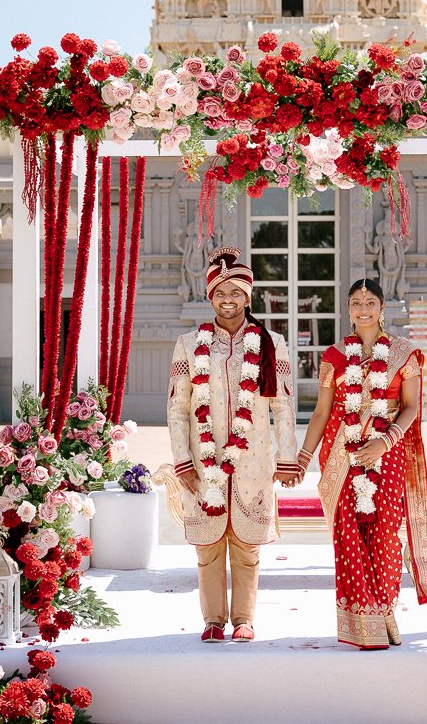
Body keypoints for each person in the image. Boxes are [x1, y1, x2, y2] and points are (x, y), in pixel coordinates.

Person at [167, 246, 303, 644]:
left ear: (248, 296)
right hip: (203, 463)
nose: (229, 300)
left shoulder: (271, 343)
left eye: (236, 292)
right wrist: (183, 461)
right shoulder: (189, 345)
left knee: (247, 547)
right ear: (211, 297)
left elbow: (284, 403)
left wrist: (287, 456)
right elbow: (177, 408)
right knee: (207, 549)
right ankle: (212, 620)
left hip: (253, 459)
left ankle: (244, 619)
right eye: (220, 293)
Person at [298, 278, 427, 649]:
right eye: (356, 302)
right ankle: (363, 625)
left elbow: (410, 407)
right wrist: (303, 457)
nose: (363, 308)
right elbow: (322, 412)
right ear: (348, 309)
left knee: (386, 534)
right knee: (349, 537)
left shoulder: (404, 352)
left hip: (386, 451)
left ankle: (385, 612)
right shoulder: (334, 356)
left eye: (370, 301)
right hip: (341, 453)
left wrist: (383, 441)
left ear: (382, 307)